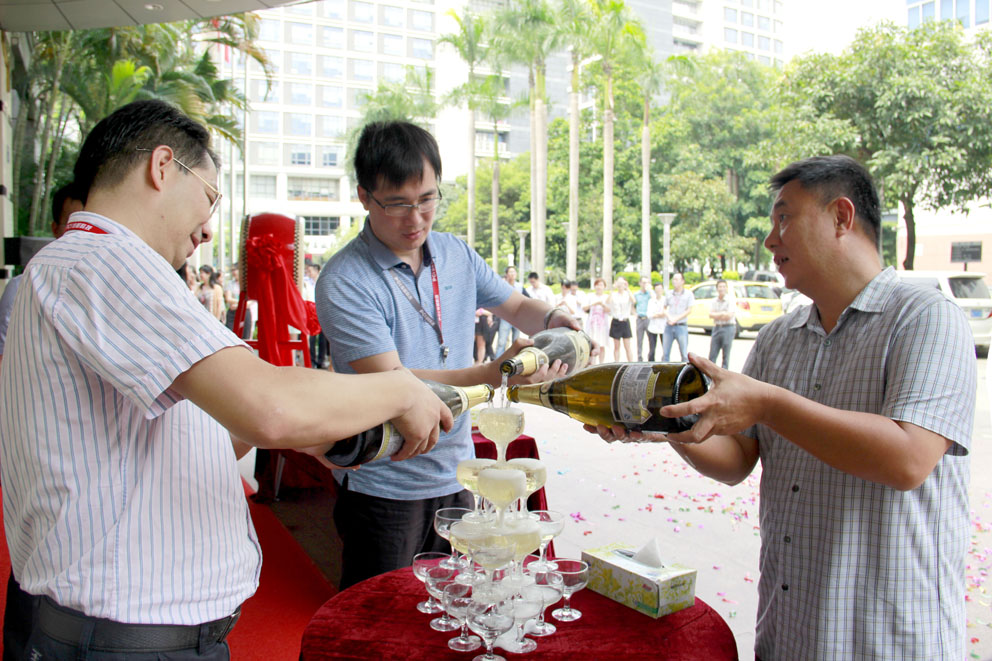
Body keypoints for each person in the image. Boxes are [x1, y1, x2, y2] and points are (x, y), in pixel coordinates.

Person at [0, 100, 453, 660]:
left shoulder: (78, 265)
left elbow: (175, 432)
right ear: (162, 167)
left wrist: (314, 428)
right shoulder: (106, 260)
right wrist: (402, 388)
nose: (208, 229)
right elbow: (267, 405)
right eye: (210, 197)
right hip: (127, 640)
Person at [595, 155, 975, 659]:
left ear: (841, 217)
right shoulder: (778, 337)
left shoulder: (925, 318)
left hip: (887, 638)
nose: (770, 240)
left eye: (784, 218)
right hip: (790, 632)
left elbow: (908, 460)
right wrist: (663, 423)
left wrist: (769, 405)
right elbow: (737, 460)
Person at [315, 120, 586, 590]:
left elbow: (516, 306)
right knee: (383, 616)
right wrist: (494, 373)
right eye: (397, 204)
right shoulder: (345, 279)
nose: (416, 219)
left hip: (457, 476)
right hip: (384, 485)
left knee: (457, 606)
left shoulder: (454, 253)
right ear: (364, 197)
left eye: (427, 199)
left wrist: (554, 317)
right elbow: (395, 385)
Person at [0, 180, 84, 660]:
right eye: (73, 223)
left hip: (82, 460)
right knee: (33, 562)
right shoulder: (26, 286)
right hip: (40, 447)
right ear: (55, 227)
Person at [662, 273, 694, 361]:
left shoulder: (688, 294)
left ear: (682, 281)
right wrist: (669, 317)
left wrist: (676, 319)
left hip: (681, 326)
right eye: (673, 279)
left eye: (676, 279)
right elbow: (664, 308)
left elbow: (689, 310)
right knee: (665, 354)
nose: (674, 281)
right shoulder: (669, 293)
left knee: (684, 354)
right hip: (669, 326)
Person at [494, 265, 525, 354]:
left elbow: (527, 298)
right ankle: (499, 359)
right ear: (506, 274)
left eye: (514, 272)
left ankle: (515, 360)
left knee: (516, 341)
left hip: (517, 317)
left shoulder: (519, 286)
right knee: (502, 341)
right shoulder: (502, 285)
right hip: (506, 316)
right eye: (510, 272)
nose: (512, 274)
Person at [707, 279, 735, 369]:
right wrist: (722, 313)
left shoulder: (730, 300)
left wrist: (717, 315)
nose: (722, 288)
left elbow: (729, 316)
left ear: (726, 288)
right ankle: (710, 374)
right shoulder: (714, 301)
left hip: (728, 328)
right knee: (712, 354)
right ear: (717, 288)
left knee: (726, 355)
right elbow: (711, 315)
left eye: (724, 287)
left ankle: (724, 373)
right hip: (717, 327)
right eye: (720, 287)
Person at [607, 277, 636, 362]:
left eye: (622, 283)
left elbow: (634, 301)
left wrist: (627, 288)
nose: (620, 285)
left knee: (627, 346)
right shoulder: (614, 295)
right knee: (616, 346)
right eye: (619, 283)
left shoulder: (627, 294)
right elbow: (607, 301)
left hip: (625, 321)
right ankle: (616, 363)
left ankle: (631, 363)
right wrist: (612, 289)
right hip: (616, 321)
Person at [583, 278, 609, 364]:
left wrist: (602, 304)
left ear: (604, 287)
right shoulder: (590, 296)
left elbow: (609, 310)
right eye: (597, 285)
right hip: (592, 324)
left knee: (602, 345)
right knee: (592, 344)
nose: (599, 287)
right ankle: (593, 364)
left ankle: (601, 363)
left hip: (602, 325)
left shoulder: (606, 297)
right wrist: (594, 304)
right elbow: (584, 308)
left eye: (601, 285)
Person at [645, 282, 667, 361]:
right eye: (657, 289)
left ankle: (664, 363)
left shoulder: (665, 300)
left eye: (660, 289)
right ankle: (651, 363)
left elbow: (666, 313)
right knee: (652, 349)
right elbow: (649, 314)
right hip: (652, 327)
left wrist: (656, 314)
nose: (659, 291)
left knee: (665, 349)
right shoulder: (651, 301)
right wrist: (660, 314)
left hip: (663, 327)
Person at [633, 276, 653, 360]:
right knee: (639, 340)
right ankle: (639, 357)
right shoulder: (636, 294)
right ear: (640, 283)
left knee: (651, 339)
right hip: (640, 318)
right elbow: (633, 305)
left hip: (648, 319)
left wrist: (650, 290)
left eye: (647, 282)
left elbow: (655, 300)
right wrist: (635, 314)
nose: (645, 284)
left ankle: (650, 357)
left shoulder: (650, 294)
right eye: (644, 282)